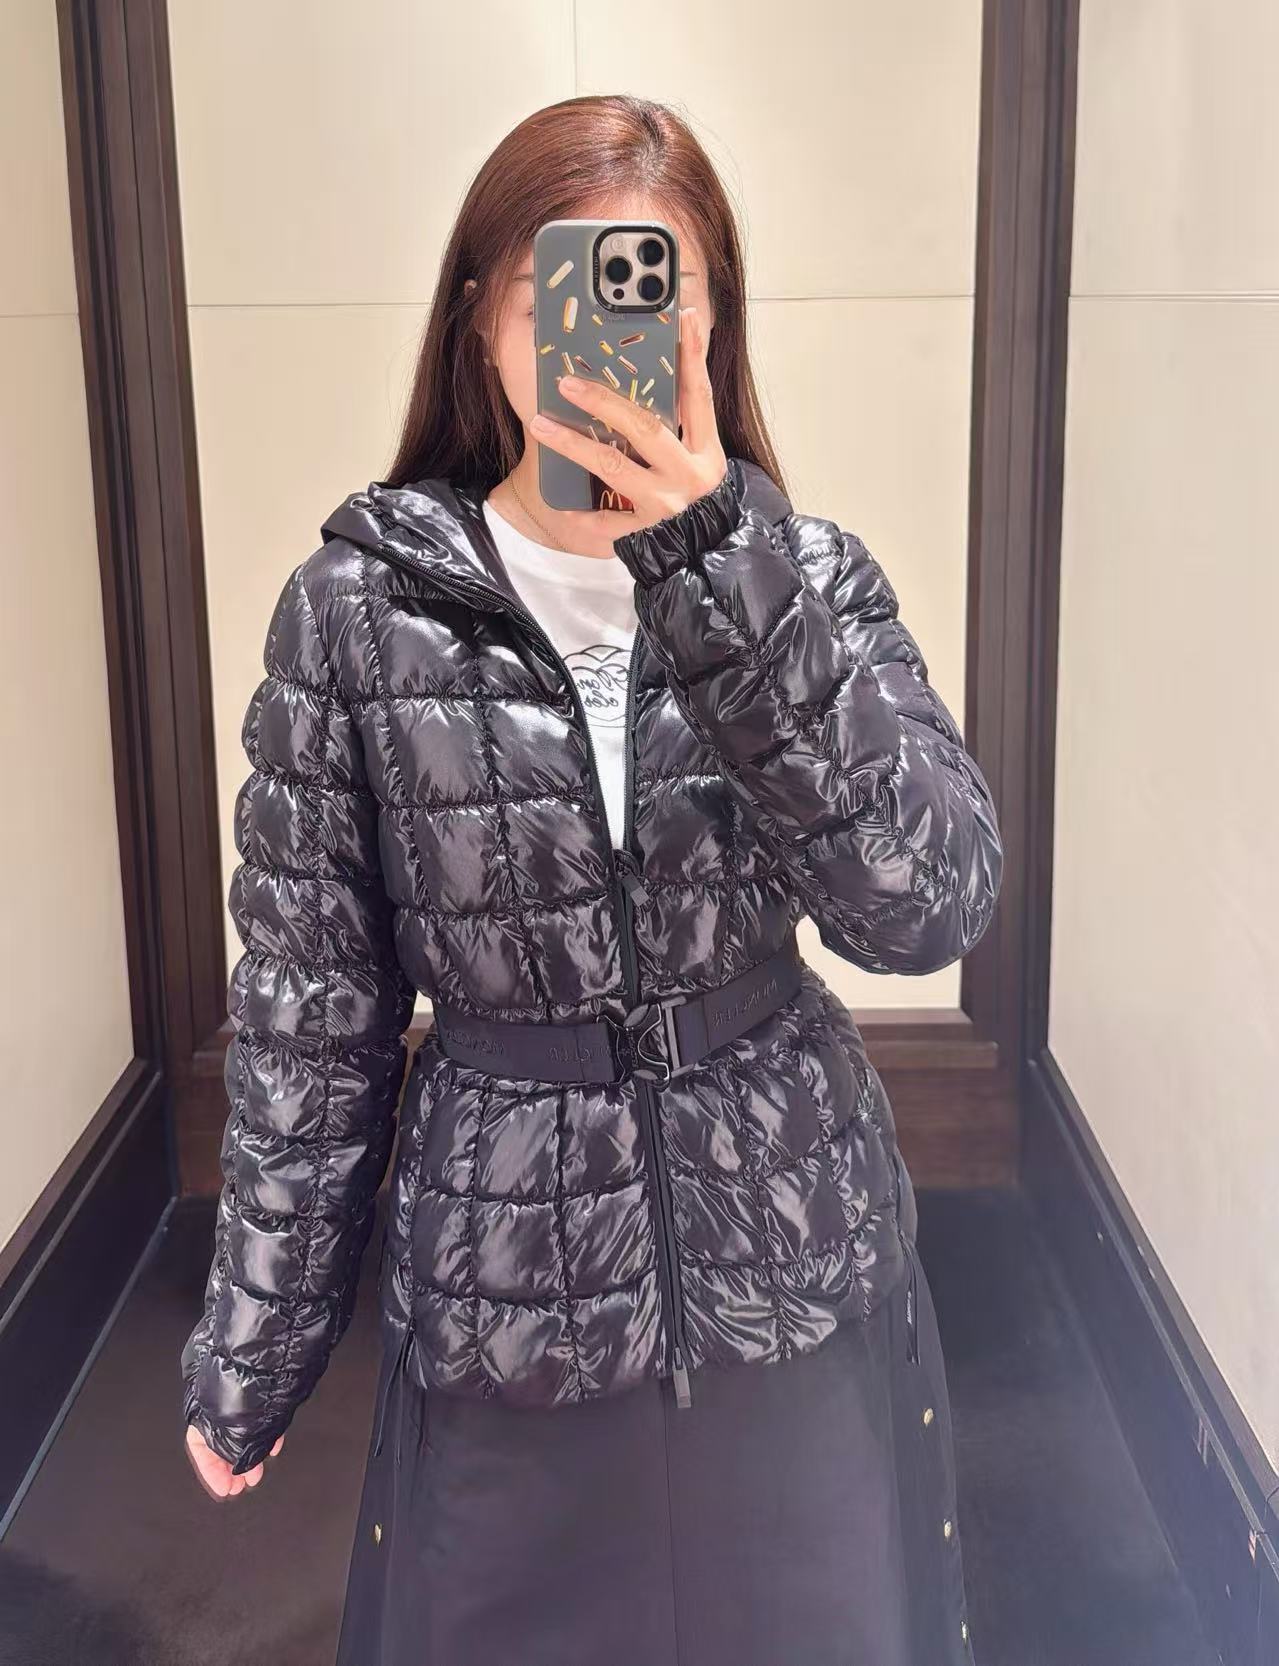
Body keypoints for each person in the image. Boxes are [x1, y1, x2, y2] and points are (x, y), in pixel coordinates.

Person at [179, 93, 1002, 1665]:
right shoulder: (357, 615)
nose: (611, 331)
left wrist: (719, 574)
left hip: (790, 1279)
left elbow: (929, 899)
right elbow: (311, 1017)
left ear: (711, 325)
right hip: (509, 1321)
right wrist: (256, 1343)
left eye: (655, 288)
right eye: (564, 286)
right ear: (485, 316)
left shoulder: (804, 579)